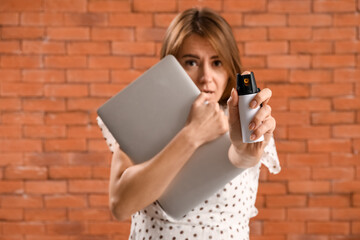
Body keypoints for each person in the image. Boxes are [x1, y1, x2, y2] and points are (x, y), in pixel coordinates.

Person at [97, 7, 280, 240]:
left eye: (217, 63)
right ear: (170, 68)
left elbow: (241, 157)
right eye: (191, 62)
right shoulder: (141, 120)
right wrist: (192, 135)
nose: (206, 77)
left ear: (229, 67)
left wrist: (245, 147)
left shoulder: (244, 120)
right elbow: (120, 205)